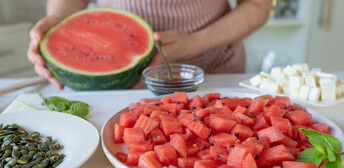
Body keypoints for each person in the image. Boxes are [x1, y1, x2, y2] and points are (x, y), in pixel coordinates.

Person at [27, 0, 272, 90]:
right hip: (117, 73)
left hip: (212, 66)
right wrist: (57, 26)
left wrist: (196, 43)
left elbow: (258, 5)